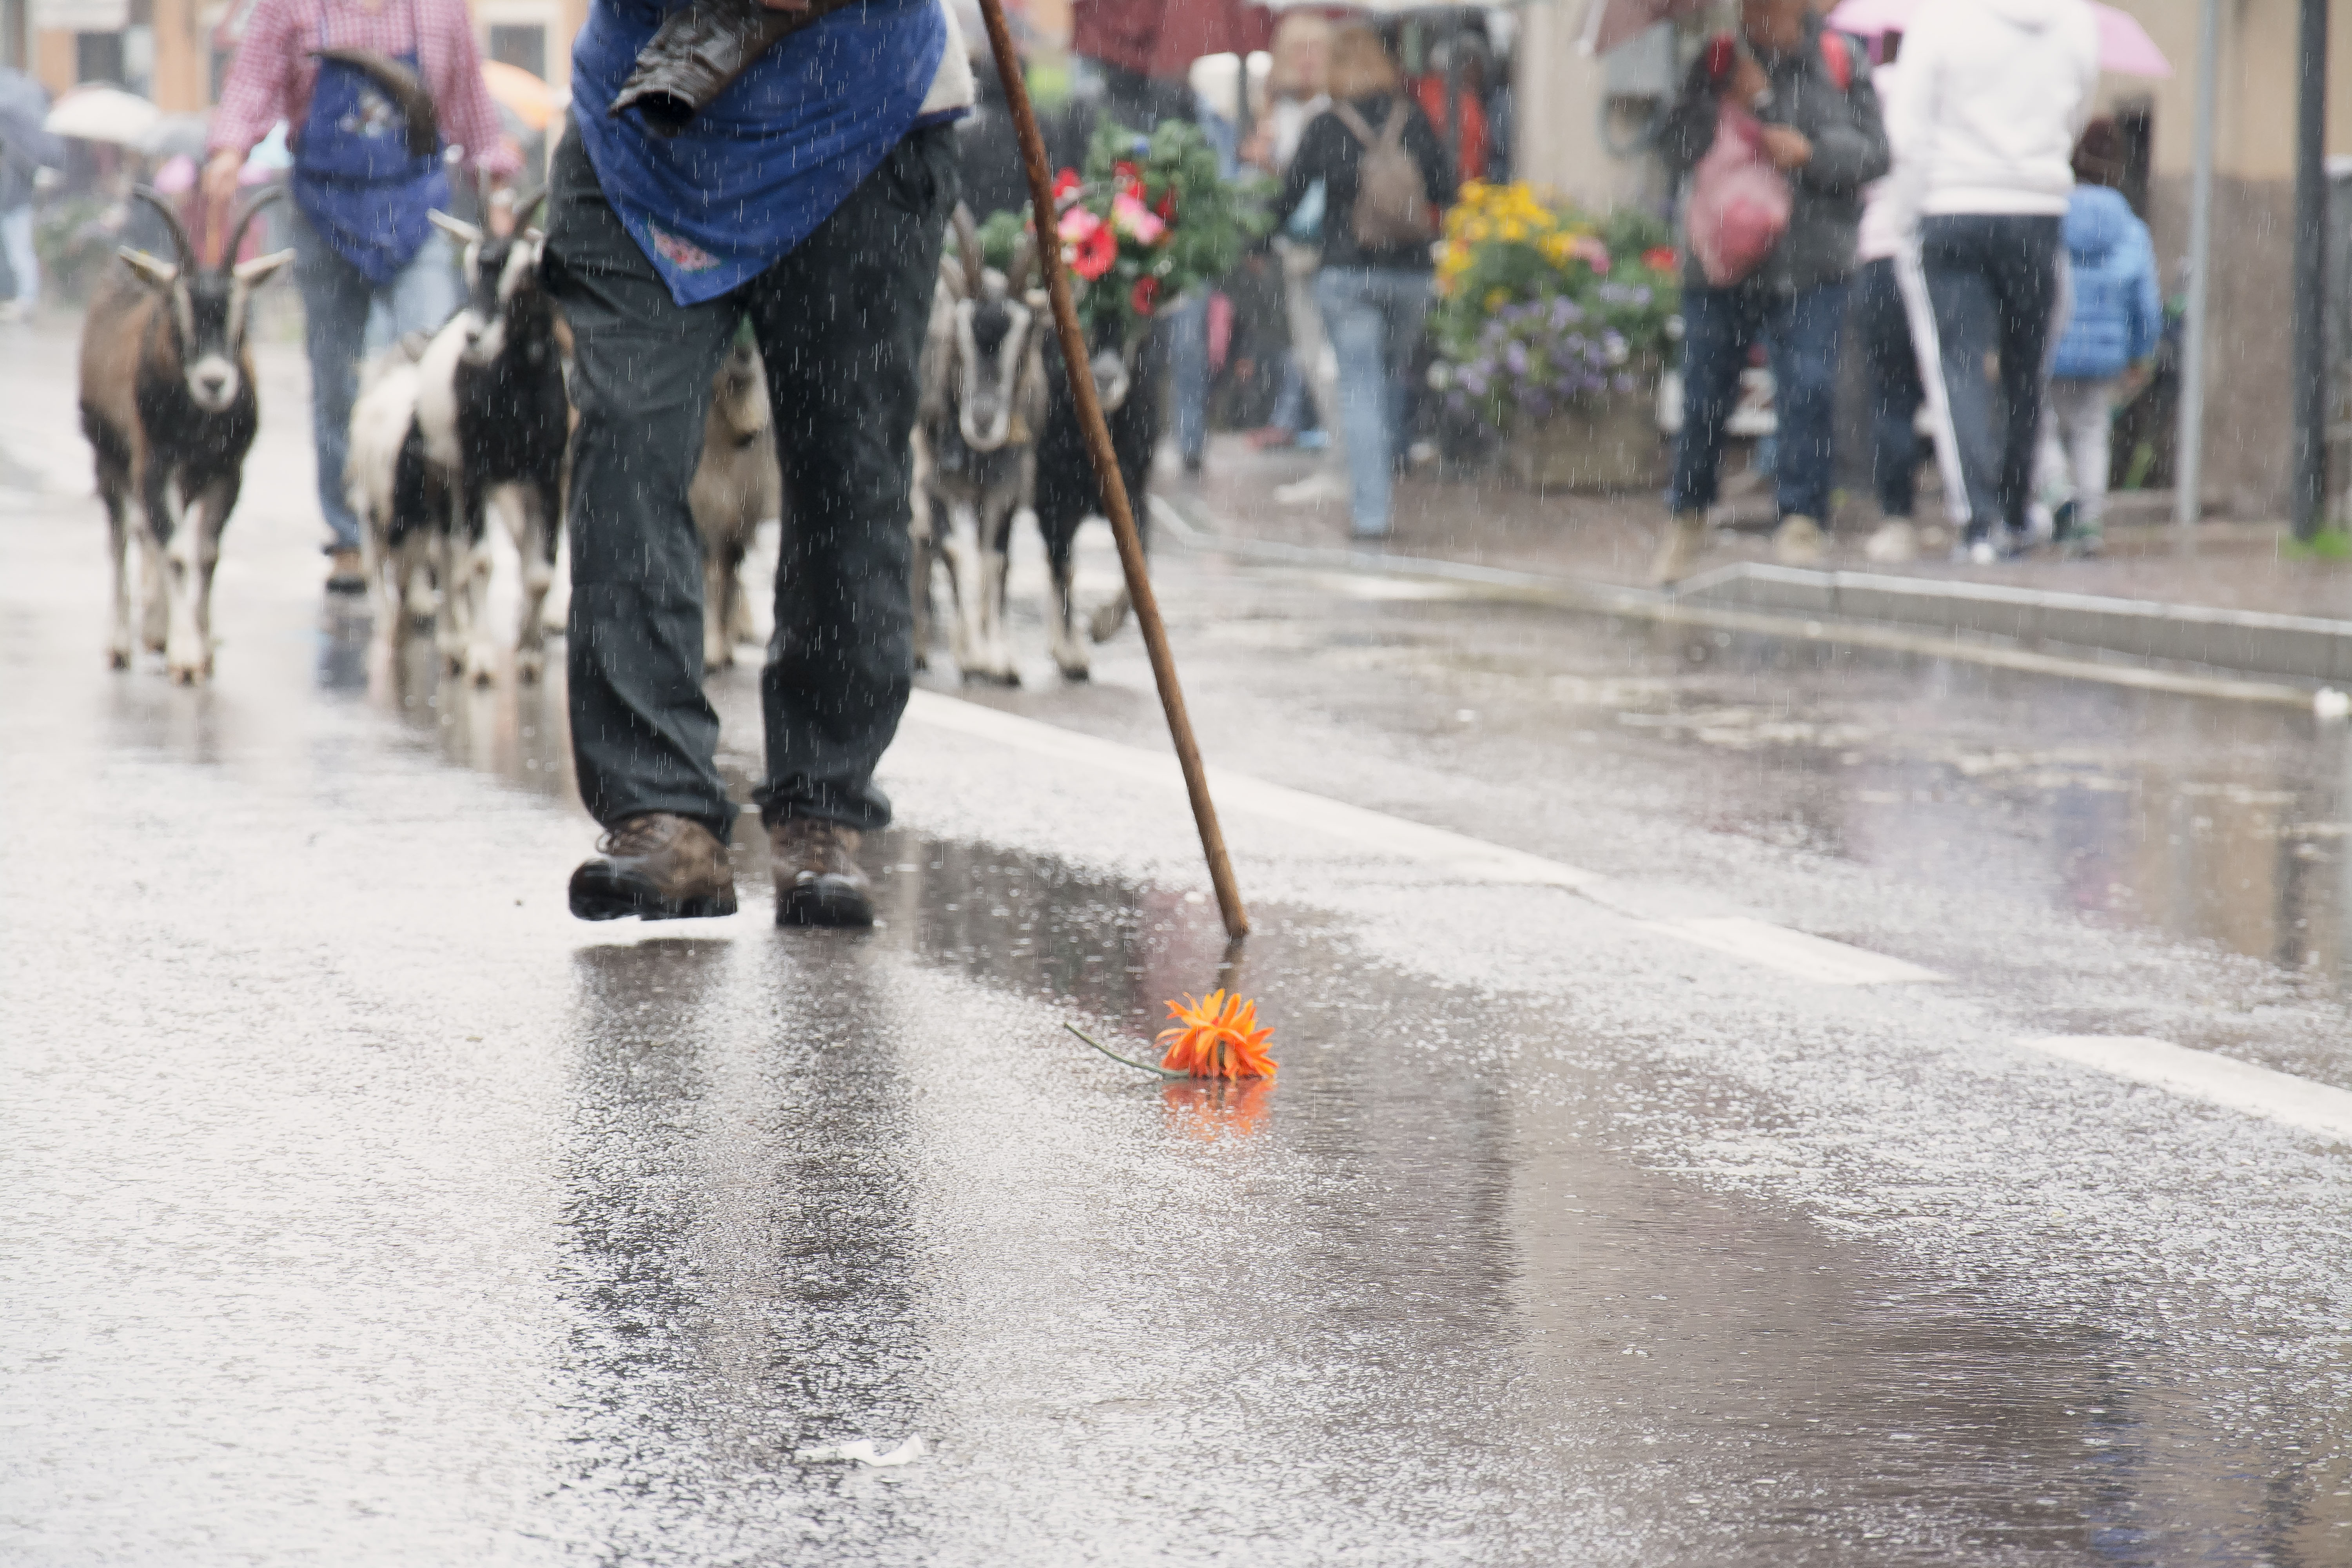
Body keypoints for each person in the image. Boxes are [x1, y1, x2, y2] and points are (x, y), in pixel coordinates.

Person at [548, 0, 972, 927]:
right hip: (646, 128)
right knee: (627, 433)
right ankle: (660, 811)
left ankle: (823, 810)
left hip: (862, 118)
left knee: (848, 467)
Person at [205, 0, 518, 594]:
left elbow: (471, 102)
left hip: (416, 206)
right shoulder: (291, 9)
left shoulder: (438, 10)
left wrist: (496, 178)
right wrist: (228, 150)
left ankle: (428, 522)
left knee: (429, 368)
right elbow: (251, 82)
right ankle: (350, 535)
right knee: (337, 380)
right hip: (324, 210)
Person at [1651, 0, 1889, 586]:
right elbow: (1673, 151)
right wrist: (1715, 98)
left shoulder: (1839, 57)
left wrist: (1805, 147)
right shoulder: (1714, 59)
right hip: (1722, 265)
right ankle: (1689, 515)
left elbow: (1875, 154)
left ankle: (1802, 519)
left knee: (1809, 388)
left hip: (1813, 261)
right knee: (1706, 395)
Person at [1878, 0, 2099, 563]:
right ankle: (2019, 509)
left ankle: (1981, 521)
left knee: (1960, 367)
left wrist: (1908, 214)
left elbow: (1908, 132)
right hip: (2036, 209)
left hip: (1952, 207)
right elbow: (2078, 108)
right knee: (2027, 371)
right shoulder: (2075, 20)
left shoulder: (1942, 20)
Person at [1271, 24, 1454, 543]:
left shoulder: (1327, 125)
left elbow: (1288, 199)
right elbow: (1447, 186)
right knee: (1386, 376)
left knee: (1360, 387)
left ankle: (1372, 513)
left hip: (1347, 273)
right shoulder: (1413, 118)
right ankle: (1390, 460)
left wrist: (1259, 240)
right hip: (1411, 276)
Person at [2035, 120, 2160, 559]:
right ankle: (2087, 523)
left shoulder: (2049, 218)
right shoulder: (2131, 230)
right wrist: (2142, 351)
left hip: (2051, 343)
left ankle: (2055, 488)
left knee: (2039, 424)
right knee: (2092, 430)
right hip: (2105, 352)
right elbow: (2146, 300)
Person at [1848, 32, 1933, 564]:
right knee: (1959, 387)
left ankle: (1899, 518)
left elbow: (1855, 172)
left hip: (1880, 251)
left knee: (1892, 393)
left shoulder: (1873, 88)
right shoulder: (1951, 86)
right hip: (1940, 250)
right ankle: (1980, 516)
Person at [0, 67, 63, 324]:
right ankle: (21, 297)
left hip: (15, 203)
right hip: (12, 203)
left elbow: (25, 173)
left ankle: (28, 299)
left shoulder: (17, 147)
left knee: (19, 251)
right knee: (16, 251)